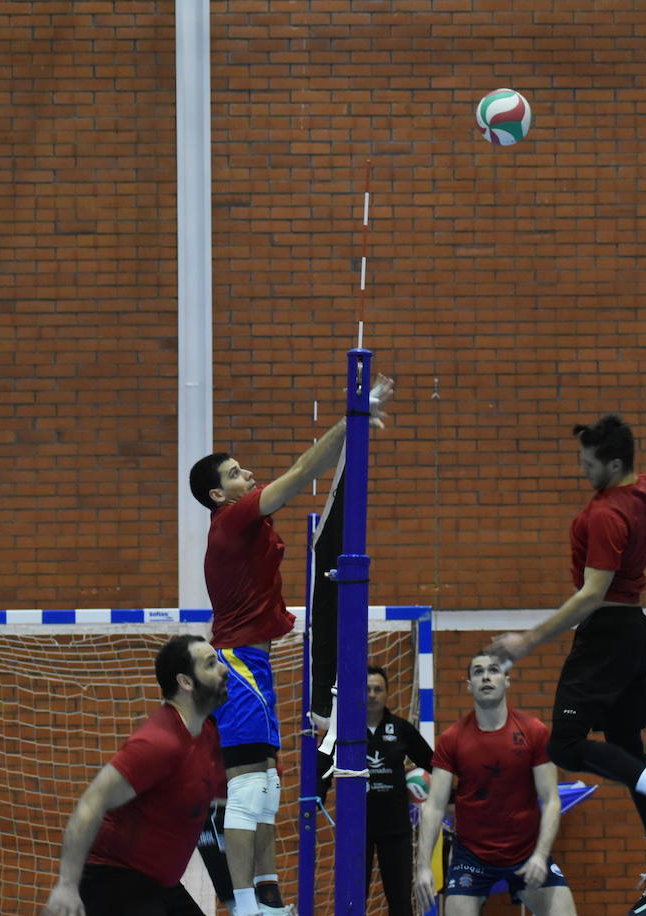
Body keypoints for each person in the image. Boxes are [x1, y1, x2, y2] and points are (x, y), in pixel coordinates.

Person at [488, 392, 646, 915]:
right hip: (636, 631)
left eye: (588, 463)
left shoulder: (606, 516)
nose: (582, 469)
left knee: (568, 746)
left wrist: (526, 641)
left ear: (614, 464)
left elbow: (591, 594)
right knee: (625, 751)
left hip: (606, 632)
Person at [187, 375, 394, 916]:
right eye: (235, 474)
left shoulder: (245, 525)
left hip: (252, 657)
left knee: (266, 788)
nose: (247, 475)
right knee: (250, 788)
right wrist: (352, 420)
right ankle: (245, 904)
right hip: (237, 661)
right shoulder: (233, 519)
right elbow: (303, 471)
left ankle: (269, 898)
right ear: (218, 495)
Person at [41, 634, 229, 916]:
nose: (224, 669)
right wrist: (66, 886)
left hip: (159, 884)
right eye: (211, 664)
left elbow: (219, 814)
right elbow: (91, 803)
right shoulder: (158, 743)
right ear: (186, 682)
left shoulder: (208, 735)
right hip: (114, 880)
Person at [413, 654, 578, 916]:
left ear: (507, 681)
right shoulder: (452, 738)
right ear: (469, 684)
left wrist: (540, 854)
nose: (486, 676)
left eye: (493, 670)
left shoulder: (534, 731)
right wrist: (422, 867)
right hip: (472, 857)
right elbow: (434, 805)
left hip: (527, 852)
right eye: (478, 672)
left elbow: (550, 799)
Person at [362, 665, 434, 916]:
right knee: (352, 899)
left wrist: (451, 795)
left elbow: (433, 763)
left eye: (378, 689)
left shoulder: (402, 729)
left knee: (401, 901)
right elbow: (323, 765)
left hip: (396, 829)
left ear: (386, 694)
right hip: (357, 829)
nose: (372, 694)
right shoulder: (343, 730)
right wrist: (318, 793)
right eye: (367, 689)